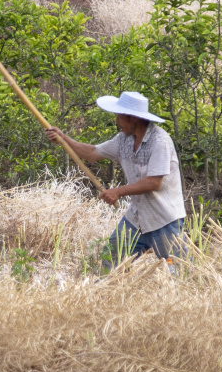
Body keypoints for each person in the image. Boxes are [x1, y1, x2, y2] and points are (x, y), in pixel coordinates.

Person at [44, 91, 186, 268]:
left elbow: (153, 182)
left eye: (119, 116)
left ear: (132, 118)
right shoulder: (123, 140)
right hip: (137, 217)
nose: (117, 121)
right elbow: (92, 153)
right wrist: (63, 139)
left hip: (163, 219)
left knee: (179, 271)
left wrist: (118, 191)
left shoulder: (160, 141)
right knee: (110, 260)